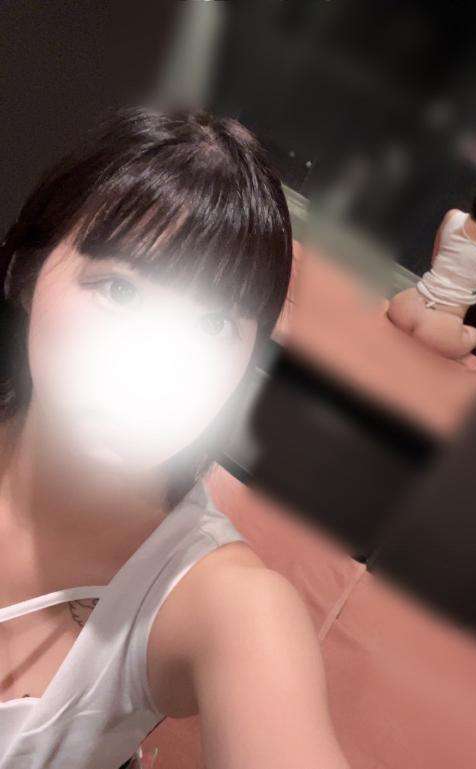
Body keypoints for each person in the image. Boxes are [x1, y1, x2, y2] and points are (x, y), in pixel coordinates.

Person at [0, 106, 351, 769]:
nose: (154, 356)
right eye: (119, 290)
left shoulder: (229, 604)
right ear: (25, 274)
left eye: (214, 324)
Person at [387, 168, 476, 360]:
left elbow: (436, 261)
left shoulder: (453, 216)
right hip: (441, 331)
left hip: (403, 305)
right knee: (475, 335)